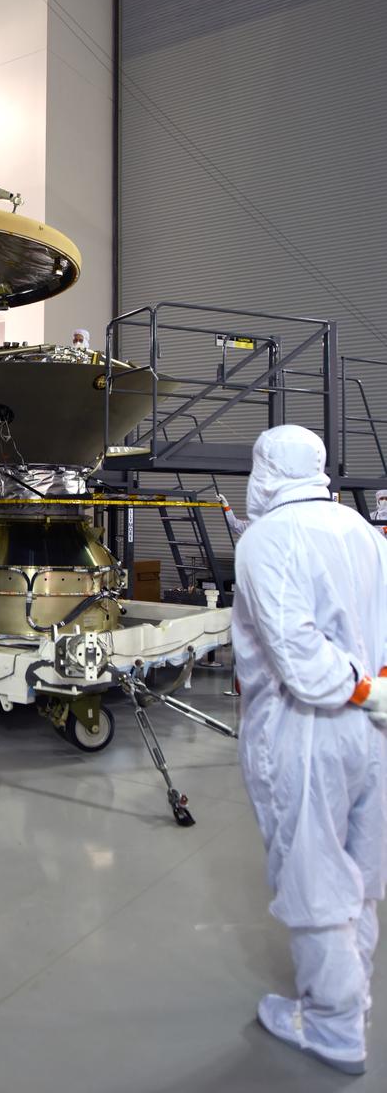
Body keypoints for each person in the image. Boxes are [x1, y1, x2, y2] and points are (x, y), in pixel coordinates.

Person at [232, 424, 387, 1075]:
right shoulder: (358, 528)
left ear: (265, 467)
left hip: (309, 726)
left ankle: (330, 1026)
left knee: (317, 876)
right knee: (361, 871)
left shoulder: (266, 538)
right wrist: (370, 689)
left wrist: (348, 686)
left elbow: (296, 655)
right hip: (375, 722)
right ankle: (353, 1000)